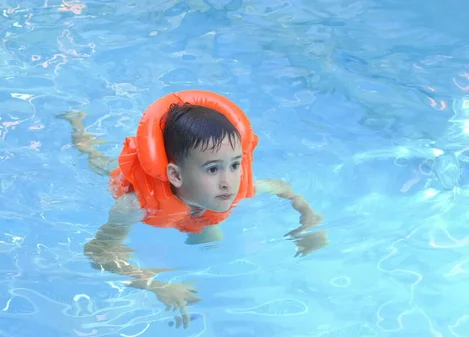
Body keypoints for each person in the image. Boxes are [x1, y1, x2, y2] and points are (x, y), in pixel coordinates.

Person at [59, 90, 328, 328]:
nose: (228, 182)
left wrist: (309, 220)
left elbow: (283, 187)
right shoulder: (134, 205)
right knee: (95, 159)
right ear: (175, 175)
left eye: (235, 164)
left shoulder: (232, 188)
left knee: (213, 244)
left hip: (197, 214)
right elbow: (98, 252)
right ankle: (78, 126)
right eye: (212, 169)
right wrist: (156, 286)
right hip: (134, 186)